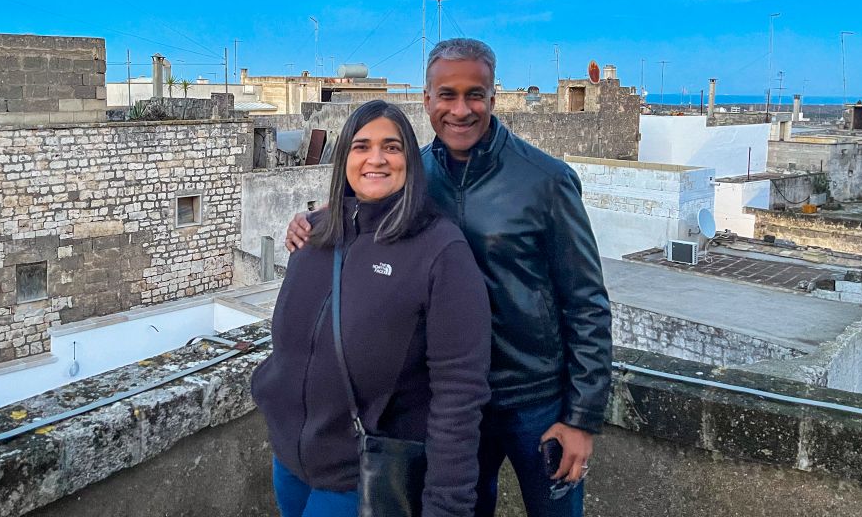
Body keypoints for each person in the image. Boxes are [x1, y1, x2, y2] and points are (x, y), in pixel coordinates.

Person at [287, 39, 612, 517]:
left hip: (533, 399)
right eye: (447, 95)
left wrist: (582, 418)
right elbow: (360, 219)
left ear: (493, 98)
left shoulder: (546, 181)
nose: (460, 110)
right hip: (449, 405)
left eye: (474, 95)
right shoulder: (413, 174)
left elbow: (586, 303)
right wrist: (307, 224)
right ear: (427, 99)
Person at [253, 99, 492, 517]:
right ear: (344, 158)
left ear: (409, 161)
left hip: (361, 478)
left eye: (391, 147)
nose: (376, 159)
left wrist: (447, 505)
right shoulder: (312, 234)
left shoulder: (440, 250)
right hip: (289, 464)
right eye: (361, 146)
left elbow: (459, 394)